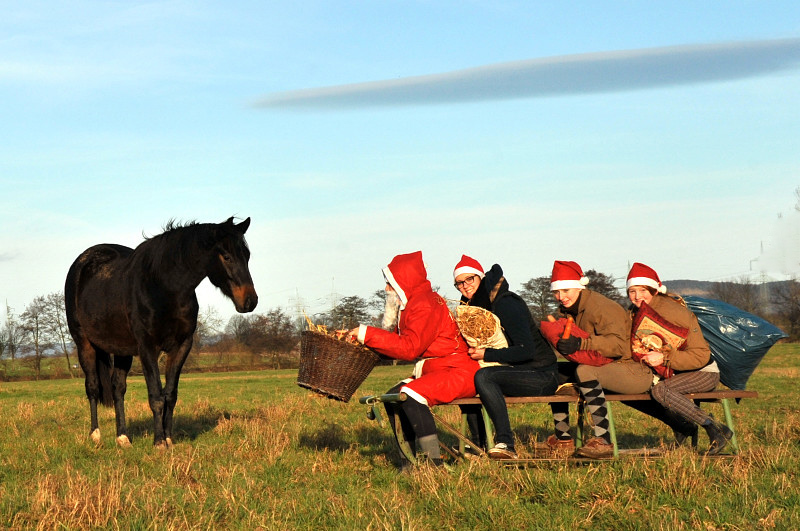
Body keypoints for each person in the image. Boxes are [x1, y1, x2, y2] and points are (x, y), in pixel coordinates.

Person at [349, 251, 480, 468]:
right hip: (440, 369)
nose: (386, 289)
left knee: (409, 395)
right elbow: (403, 345)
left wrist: (367, 334)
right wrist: (364, 341)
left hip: (458, 371)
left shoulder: (425, 305)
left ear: (404, 282)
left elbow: (410, 348)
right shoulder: (415, 304)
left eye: (390, 284)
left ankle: (433, 464)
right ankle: (407, 463)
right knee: (393, 396)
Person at [453, 255, 559, 460]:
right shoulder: (476, 308)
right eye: (459, 283)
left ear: (481, 278)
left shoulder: (506, 303)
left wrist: (487, 354)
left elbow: (526, 350)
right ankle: (479, 445)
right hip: (515, 370)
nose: (465, 286)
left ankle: (506, 444)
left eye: (470, 279)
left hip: (540, 374)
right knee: (467, 376)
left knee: (484, 377)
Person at [625, 262, 734, 454]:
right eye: (632, 291)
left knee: (661, 391)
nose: (637, 296)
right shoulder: (634, 313)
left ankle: (714, 428)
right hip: (671, 375)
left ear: (654, 289)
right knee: (628, 389)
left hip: (703, 372)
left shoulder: (675, 312)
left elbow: (701, 355)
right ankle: (683, 427)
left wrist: (665, 358)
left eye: (642, 290)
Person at [549, 260, 653, 458]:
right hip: (606, 367)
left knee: (584, 370)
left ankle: (603, 440)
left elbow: (619, 347)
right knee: (555, 372)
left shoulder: (601, 307)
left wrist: (581, 344)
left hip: (632, 369)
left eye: (566, 291)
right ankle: (563, 438)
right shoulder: (572, 308)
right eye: (557, 292)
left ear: (579, 286)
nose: (561, 297)